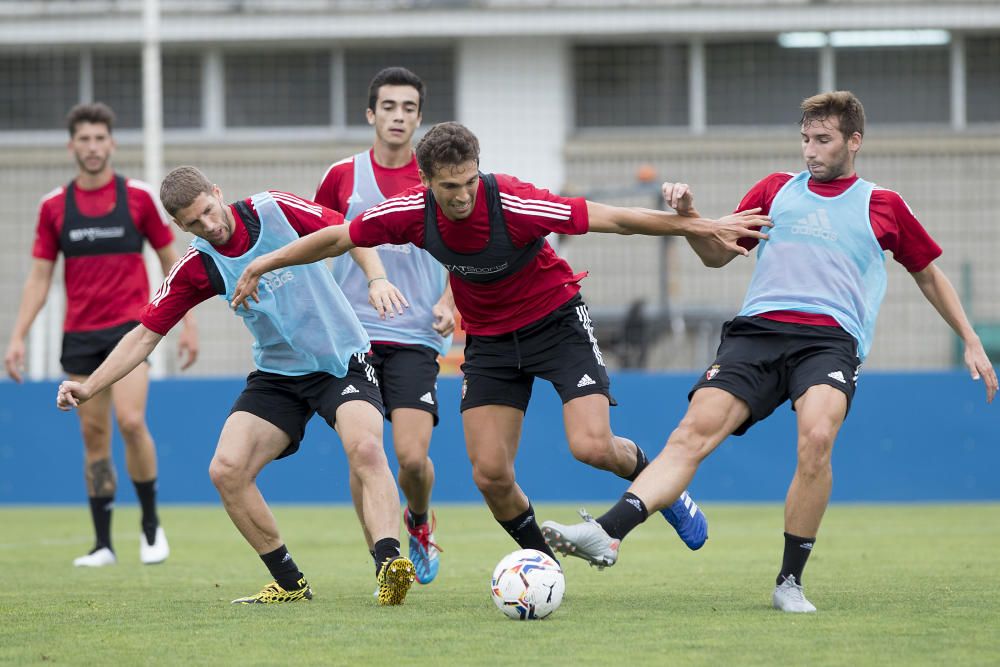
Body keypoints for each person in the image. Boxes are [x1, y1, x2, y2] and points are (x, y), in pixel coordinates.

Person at [540, 91, 998, 613]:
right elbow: (717, 255)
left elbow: (928, 274)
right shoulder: (776, 190)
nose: (810, 150)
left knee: (818, 436)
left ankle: (789, 583)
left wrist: (971, 337)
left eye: (823, 140)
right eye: (805, 139)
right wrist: (693, 218)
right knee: (691, 433)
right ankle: (608, 531)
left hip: (829, 340)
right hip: (757, 334)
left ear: (854, 141)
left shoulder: (883, 205)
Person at [230, 121, 771, 561]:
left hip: (555, 322)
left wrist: (699, 227)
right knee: (490, 476)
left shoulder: (513, 202)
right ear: (425, 182)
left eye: (469, 181)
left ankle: (664, 488)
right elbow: (338, 237)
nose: (463, 195)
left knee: (591, 447)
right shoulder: (409, 214)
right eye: (449, 186)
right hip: (489, 341)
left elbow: (616, 219)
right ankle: (545, 567)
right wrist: (265, 261)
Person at [57, 165, 417, 606]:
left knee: (364, 448)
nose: (208, 225)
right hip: (278, 377)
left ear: (217, 191)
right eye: (193, 222)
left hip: (340, 359)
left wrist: (377, 278)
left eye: (209, 210)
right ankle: (290, 584)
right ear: (179, 225)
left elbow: (348, 234)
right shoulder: (198, 264)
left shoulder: (275, 210)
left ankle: (388, 565)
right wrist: (90, 386)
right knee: (226, 471)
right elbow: (145, 334)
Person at [5, 102, 198, 568]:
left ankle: (151, 527)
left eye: (100, 139)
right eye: (84, 139)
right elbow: (38, 278)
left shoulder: (138, 198)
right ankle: (103, 544)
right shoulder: (54, 206)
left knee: (131, 423)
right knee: (94, 441)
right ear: (72, 145)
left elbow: (175, 261)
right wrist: (18, 336)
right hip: (79, 337)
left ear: (112, 143)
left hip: (132, 330)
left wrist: (187, 323)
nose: (92, 147)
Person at [314, 67, 454, 585]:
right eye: (389, 107)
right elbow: (316, 244)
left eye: (409, 108)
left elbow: (470, 246)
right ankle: (384, 557)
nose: (398, 116)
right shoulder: (342, 176)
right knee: (363, 451)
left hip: (417, 335)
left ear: (420, 117)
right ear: (371, 114)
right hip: (353, 339)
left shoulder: (439, 176)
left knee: (412, 460)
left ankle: (418, 523)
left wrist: (449, 299)